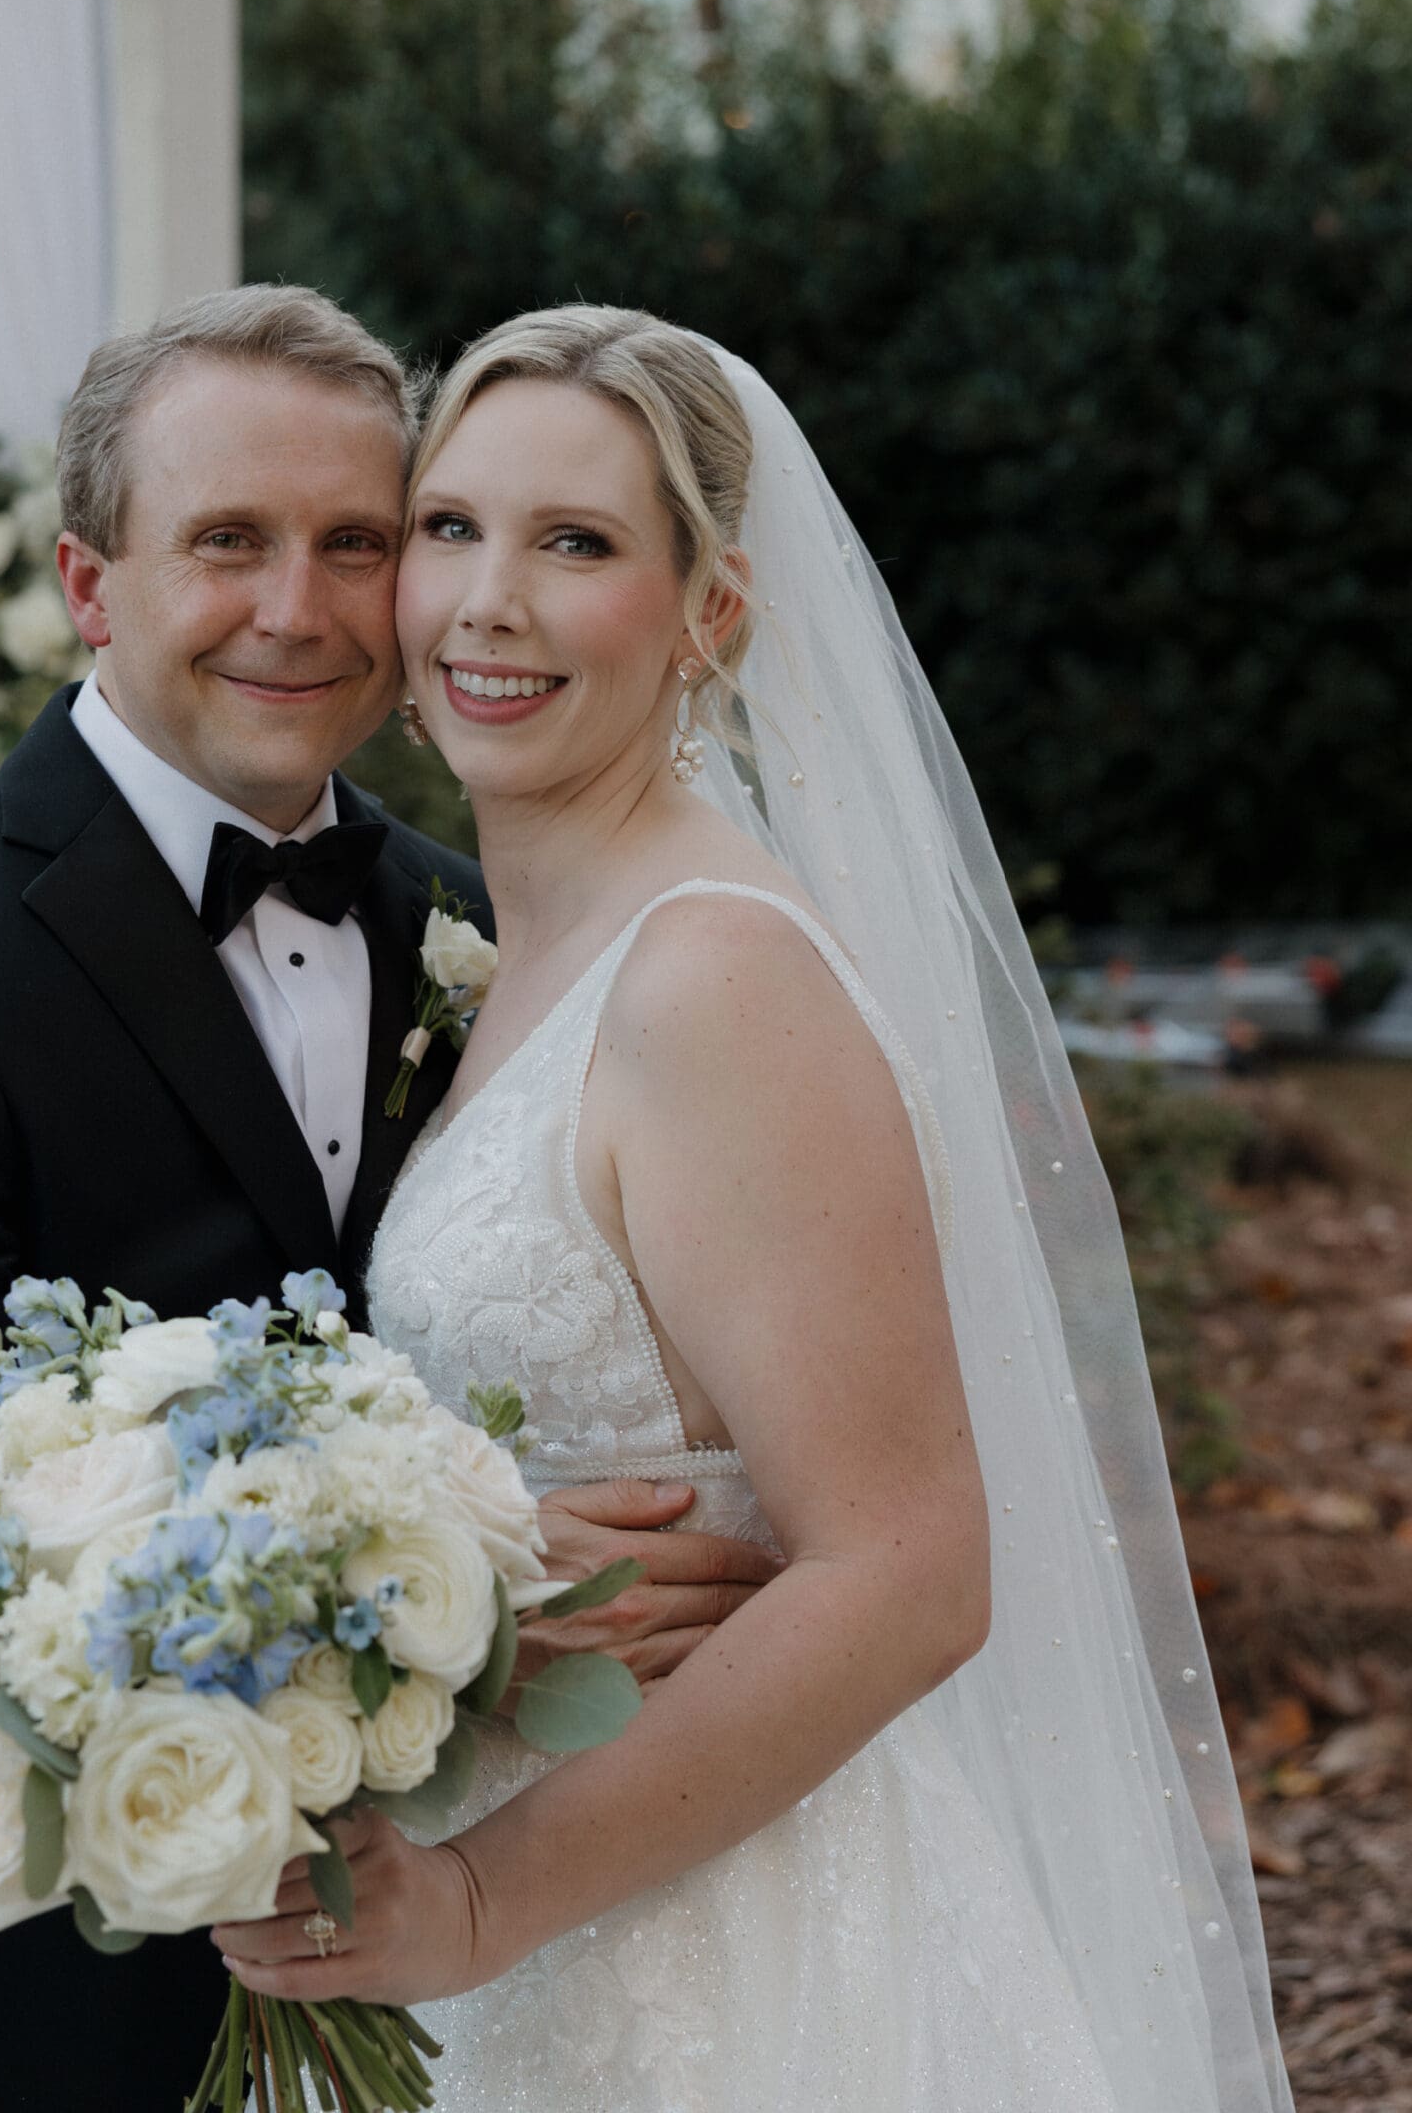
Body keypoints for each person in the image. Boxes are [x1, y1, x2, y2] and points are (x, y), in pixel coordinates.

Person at [0, 286, 780, 2113]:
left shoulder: (482, 927)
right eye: (227, 543)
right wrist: (469, 1599)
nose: (299, 610)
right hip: (29, 2004)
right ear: (89, 582)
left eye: (358, 542)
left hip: (452, 1983)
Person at [214, 307, 1294, 2113]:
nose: (487, 603)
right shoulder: (505, 954)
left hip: (725, 1953)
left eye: (578, 544)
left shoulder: (712, 979)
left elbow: (908, 1570)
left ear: (709, 614)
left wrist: (482, 1901)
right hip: (533, 1909)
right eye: (453, 527)